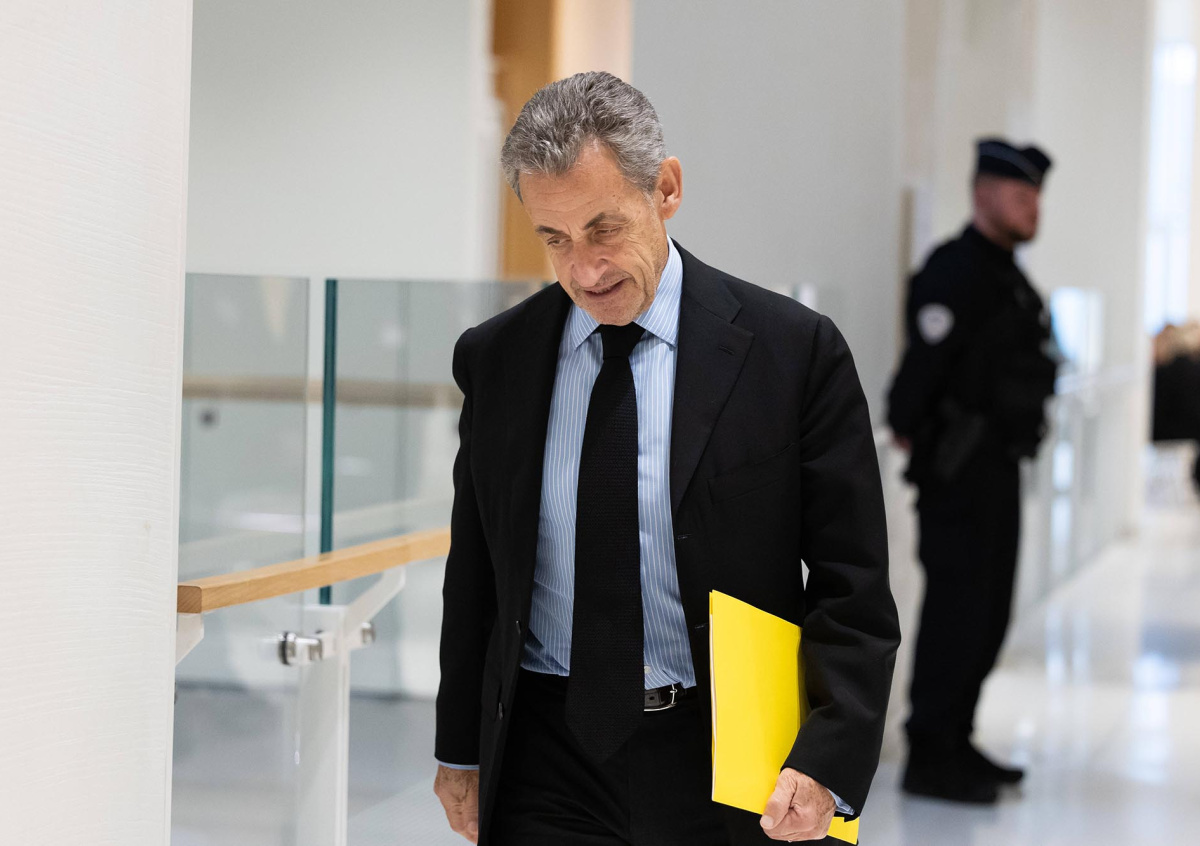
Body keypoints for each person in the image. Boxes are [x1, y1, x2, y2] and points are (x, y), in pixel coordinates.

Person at [433, 71, 900, 846]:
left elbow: (852, 583)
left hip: (725, 754)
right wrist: (459, 748)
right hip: (546, 756)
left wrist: (827, 757)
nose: (585, 270)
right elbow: (477, 566)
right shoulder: (498, 358)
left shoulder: (792, 353)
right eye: (555, 239)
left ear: (667, 189)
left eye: (603, 228)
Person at [886, 138, 1059, 804]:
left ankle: (956, 739)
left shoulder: (1009, 280)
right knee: (957, 615)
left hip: (998, 471)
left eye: (1037, 197)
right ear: (983, 193)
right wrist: (912, 427)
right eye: (1021, 195)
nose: (1033, 207)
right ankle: (930, 753)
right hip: (957, 475)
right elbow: (920, 374)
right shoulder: (953, 271)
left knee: (988, 616)